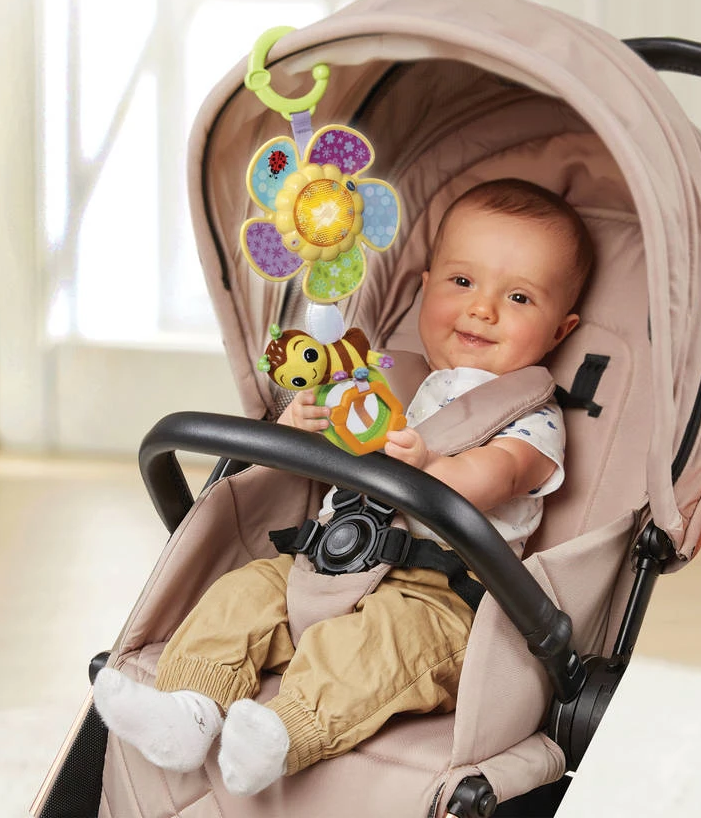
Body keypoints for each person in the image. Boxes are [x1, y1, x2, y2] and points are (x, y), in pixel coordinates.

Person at [93, 178, 594, 796]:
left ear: (560, 329)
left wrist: (435, 466)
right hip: (323, 562)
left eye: (518, 297)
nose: (482, 308)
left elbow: (504, 473)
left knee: (374, 650)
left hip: (435, 597)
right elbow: (327, 452)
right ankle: (188, 708)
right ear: (424, 287)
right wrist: (302, 424)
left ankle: (283, 732)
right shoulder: (389, 380)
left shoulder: (532, 415)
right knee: (240, 595)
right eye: (462, 282)